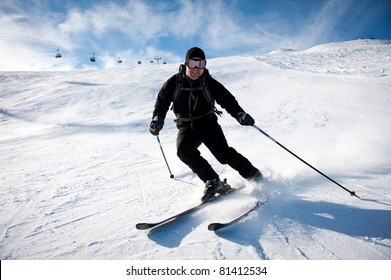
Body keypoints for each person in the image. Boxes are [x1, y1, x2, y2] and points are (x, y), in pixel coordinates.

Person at [149, 47, 262, 202]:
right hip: (187, 126)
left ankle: (254, 175)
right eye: (192, 63)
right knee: (183, 151)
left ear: (205, 65)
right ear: (186, 63)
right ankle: (213, 181)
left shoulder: (209, 82)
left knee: (222, 153)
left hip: (208, 123)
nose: (196, 69)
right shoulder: (174, 82)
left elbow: (228, 100)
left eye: (200, 64)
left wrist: (239, 114)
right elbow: (161, 104)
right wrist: (157, 119)